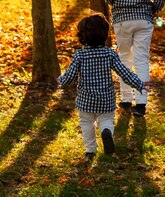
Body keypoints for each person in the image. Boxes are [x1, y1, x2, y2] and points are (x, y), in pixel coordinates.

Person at [57, 13, 147, 157]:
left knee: (86, 123)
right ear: (104, 35)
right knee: (106, 119)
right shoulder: (109, 54)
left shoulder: (80, 55)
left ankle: (91, 149)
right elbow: (124, 72)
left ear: (82, 37)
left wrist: (61, 80)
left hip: (86, 100)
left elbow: (70, 76)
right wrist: (139, 84)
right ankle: (106, 131)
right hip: (106, 99)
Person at [103, 0, 165, 117]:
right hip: (144, 19)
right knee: (141, 59)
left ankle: (125, 98)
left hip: (122, 19)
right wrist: (154, 9)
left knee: (124, 58)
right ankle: (141, 103)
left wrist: (117, 4)